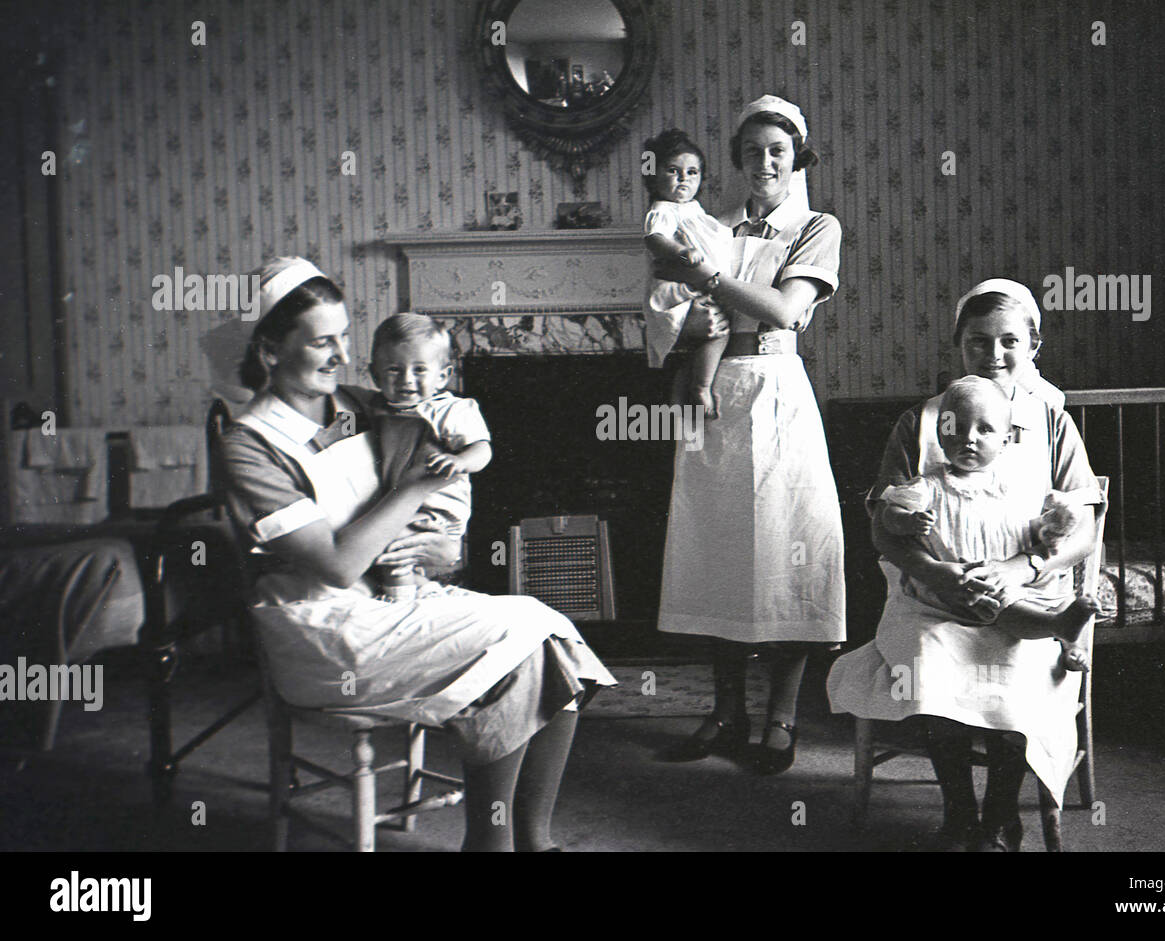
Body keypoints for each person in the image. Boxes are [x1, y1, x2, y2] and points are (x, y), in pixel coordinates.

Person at [217, 256, 615, 852]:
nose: (343, 357)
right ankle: (492, 843)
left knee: (550, 633)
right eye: (322, 342)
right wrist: (418, 488)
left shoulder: (358, 404)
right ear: (271, 350)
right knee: (522, 640)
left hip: (396, 595)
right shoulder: (250, 444)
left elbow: (442, 507)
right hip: (324, 626)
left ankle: (532, 839)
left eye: (345, 338)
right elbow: (336, 564)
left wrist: (437, 544)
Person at [826, 278, 1103, 851]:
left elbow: (1084, 531)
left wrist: (1020, 569)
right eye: (979, 342)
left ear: (1033, 346)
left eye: (1009, 341)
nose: (995, 355)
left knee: (1020, 672)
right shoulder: (922, 421)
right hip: (932, 600)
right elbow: (884, 527)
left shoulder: (1052, 422)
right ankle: (959, 813)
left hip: (1027, 599)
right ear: (959, 345)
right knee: (929, 667)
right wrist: (938, 576)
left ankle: (1001, 816)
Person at [649, 96, 846, 774]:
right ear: (736, 159)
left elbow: (787, 312)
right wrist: (688, 354)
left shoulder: (816, 226)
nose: (765, 163)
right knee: (720, 552)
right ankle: (726, 711)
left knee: (786, 551)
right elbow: (683, 310)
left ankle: (781, 717)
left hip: (777, 391)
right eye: (753, 151)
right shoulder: (709, 224)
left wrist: (706, 276)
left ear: (797, 162)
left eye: (778, 153)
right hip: (715, 399)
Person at [878, 375, 1102, 671]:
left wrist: (1048, 531)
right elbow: (887, 519)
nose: (969, 438)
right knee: (995, 610)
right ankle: (1058, 627)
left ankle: (1063, 632)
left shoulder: (1016, 486)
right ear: (941, 435)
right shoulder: (926, 486)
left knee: (1019, 602)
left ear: (1004, 441)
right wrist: (907, 521)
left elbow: (1033, 527)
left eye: (984, 430)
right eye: (956, 429)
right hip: (948, 583)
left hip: (1007, 577)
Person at [364, 313, 491, 599]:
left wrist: (460, 461)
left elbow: (483, 450)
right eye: (394, 370)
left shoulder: (450, 411)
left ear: (443, 376)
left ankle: (399, 604)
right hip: (402, 502)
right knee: (396, 550)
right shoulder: (375, 408)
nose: (407, 380)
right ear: (375, 375)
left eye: (420, 370)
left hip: (439, 509)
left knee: (395, 550)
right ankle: (420, 592)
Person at [641, 128, 736, 419]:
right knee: (716, 333)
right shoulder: (663, 209)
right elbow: (654, 238)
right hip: (680, 285)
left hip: (703, 283)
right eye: (673, 170)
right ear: (654, 177)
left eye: (693, 172)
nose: (684, 178)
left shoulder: (694, 210)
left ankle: (687, 392)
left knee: (710, 338)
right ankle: (701, 387)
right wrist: (681, 252)